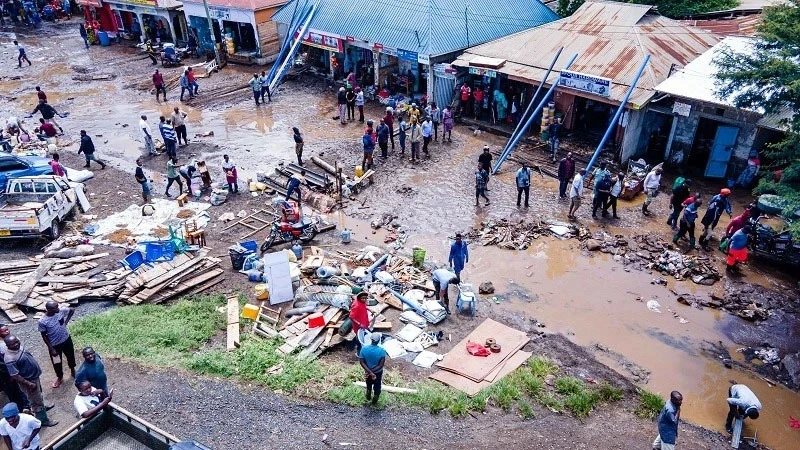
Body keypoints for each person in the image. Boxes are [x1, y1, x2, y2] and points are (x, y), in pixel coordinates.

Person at [3, 336, 58, 426]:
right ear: (7, 345)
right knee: (36, 401)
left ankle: (43, 407)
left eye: (17, 342)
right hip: (29, 381)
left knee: (38, 395)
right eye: (13, 344)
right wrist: (29, 384)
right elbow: (15, 375)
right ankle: (43, 420)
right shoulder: (9, 358)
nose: (16, 344)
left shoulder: (18, 348)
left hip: (34, 377)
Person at [38, 301, 76, 389]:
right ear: (49, 310)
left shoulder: (61, 311)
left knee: (70, 356)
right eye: (56, 307)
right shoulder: (43, 321)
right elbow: (43, 335)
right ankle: (60, 377)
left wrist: (66, 321)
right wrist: (51, 348)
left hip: (66, 339)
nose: (58, 308)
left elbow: (72, 310)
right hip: (54, 345)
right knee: (57, 362)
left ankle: (73, 370)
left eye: (57, 306)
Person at [0, 325, 29, 413]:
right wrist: (10, 373)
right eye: (3, 331)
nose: (7, 332)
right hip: (8, 374)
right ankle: (21, 411)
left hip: (19, 370)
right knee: (15, 393)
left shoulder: (12, 340)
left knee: (26, 389)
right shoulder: (1, 346)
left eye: (7, 330)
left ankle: (31, 406)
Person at [359, 332, 386, 406]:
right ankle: (375, 398)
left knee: (369, 383)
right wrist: (373, 373)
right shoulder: (381, 351)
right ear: (378, 341)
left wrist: (369, 372)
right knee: (377, 385)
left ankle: (368, 394)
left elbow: (362, 362)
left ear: (371, 339)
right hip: (377, 372)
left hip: (367, 371)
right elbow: (381, 365)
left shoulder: (364, 349)